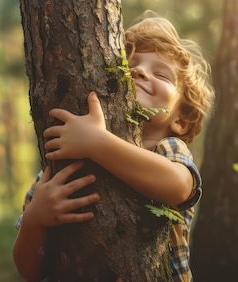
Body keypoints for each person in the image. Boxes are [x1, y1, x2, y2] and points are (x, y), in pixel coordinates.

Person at [13, 10, 214, 282]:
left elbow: (178, 186)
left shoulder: (168, 150)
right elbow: (29, 271)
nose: (140, 71)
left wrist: (97, 143)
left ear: (181, 119)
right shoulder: (61, 173)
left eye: (162, 75)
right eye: (131, 65)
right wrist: (35, 220)